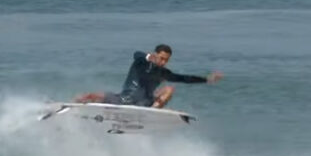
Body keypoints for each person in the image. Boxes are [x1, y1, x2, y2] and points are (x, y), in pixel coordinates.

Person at [75, 44, 222, 109]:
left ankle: (153, 112)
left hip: (144, 105)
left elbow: (185, 78)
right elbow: (136, 54)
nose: (163, 61)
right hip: (124, 99)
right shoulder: (141, 63)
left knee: (169, 88)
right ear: (155, 54)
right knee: (90, 96)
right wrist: (148, 57)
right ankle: (66, 110)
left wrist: (207, 79)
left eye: (166, 59)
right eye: (161, 58)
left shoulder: (164, 73)